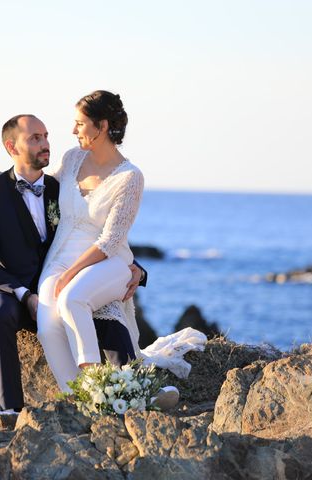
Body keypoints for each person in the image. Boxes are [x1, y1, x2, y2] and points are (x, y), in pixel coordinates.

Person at [0, 114, 146, 426]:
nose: (45, 143)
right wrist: (25, 295)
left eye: (46, 135)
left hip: (56, 282)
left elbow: (95, 230)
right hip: (8, 287)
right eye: (34, 138)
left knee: (102, 307)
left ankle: (133, 390)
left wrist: (135, 268)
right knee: (0, 313)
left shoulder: (59, 187)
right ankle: (11, 409)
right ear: (12, 146)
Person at [37, 91, 204, 400]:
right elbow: (42, 187)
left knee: (72, 298)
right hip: (58, 259)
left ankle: (98, 387)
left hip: (108, 262)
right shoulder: (73, 159)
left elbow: (111, 240)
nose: (74, 131)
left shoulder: (130, 177)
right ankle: (78, 398)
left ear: (101, 126)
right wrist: (3, 179)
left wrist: (70, 273)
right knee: (47, 325)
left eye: (80, 124)